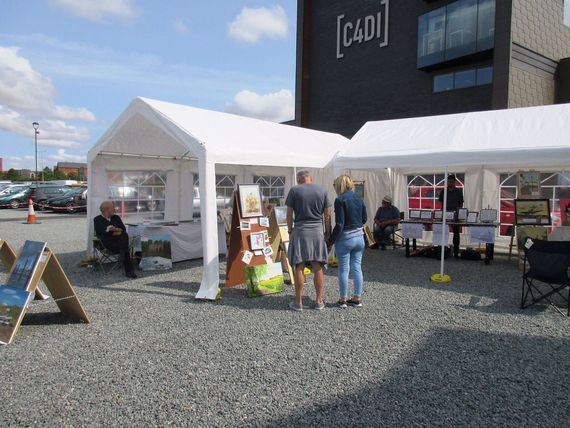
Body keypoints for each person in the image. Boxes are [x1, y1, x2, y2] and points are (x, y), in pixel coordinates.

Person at [286, 170, 332, 311]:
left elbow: (289, 214)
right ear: (310, 178)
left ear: (299, 180)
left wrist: (290, 229)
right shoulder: (322, 191)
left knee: (299, 265)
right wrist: (327, 233)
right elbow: (328, 215)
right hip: (317, 231)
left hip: (300, 230)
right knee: (317, 265)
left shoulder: (294, 190)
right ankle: (318, 301)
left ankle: (298, 302)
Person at [329, 175, 367, 308]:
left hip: (345, 238)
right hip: (359, 237)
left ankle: (343, 299)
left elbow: (339, 224)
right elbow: (364, 219)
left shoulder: (339, 200)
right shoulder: (359, 198)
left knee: (344, 269)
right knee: (357, 267)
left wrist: (331, 240)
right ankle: (357, 298)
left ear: (339, 185)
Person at [94, 201, 136, 278]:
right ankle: (129, 271)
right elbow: (100, 232)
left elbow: (123, 229)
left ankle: (126, 265)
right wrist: (113, 231)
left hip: (119, 242)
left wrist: (114, 230)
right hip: (108, 244)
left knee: (124, 236)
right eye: (113, 208)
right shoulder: (97, 219)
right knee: (125, 246)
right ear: (107, 210)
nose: (114, 209)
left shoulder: (116, 217)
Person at [438, 174, 464, 258]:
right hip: (444, 214)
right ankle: (442, 250)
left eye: (451, 182)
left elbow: (461, 203)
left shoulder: (459, 191)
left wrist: (459, 213)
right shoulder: (443, 191)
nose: (450, 183)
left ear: (455, 182)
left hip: (455, 215)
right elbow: (441, 201)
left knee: (456, 233)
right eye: (448, 182)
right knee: (443, 232)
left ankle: (456, 252)